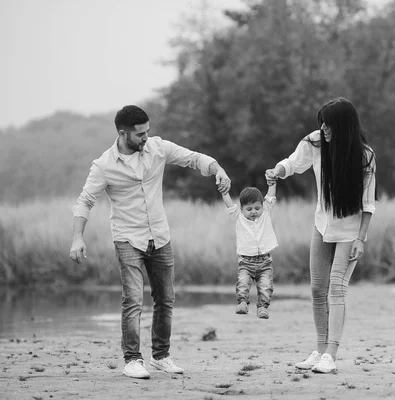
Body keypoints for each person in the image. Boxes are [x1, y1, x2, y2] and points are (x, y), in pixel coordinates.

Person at [69, 105, 231, 379]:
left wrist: (219, 170)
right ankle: (132, 359)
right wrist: (77, 238)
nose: (146, 137)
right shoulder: (104, 166)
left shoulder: (158, 148)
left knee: (165, 299)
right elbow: (85, 201)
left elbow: (194, 158)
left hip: (160, 235)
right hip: (127, 237)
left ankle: (161, 356)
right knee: (132, 299)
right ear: (123, 134)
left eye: (148, 131)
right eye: (140, 134)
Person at [265, 97, 376, 374]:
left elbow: (368, 203)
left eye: (329, 123)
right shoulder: (315, 143)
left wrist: (361, 238)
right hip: (322, 226)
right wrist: (278, 171)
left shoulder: (365, 157)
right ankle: (319, 349)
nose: (324, 128)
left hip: (350, 233)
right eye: (321, 122)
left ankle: (331, 355)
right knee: (317, 289)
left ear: (344, 126)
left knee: (336, 289)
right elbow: (293, 163)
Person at [221, 181, 278, 319]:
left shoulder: (265, 213)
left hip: (265, 261)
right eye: (249, 209)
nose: (254, 212)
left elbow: (270, 197)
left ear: (262, 207)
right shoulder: (238, 217)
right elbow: (229, 205)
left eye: (257, 208)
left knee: (266, 286)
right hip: (245, 262)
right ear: (241, 209)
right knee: (242, 284)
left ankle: (263, 307)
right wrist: (224, 192)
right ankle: (242, 303)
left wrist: (272, 183)